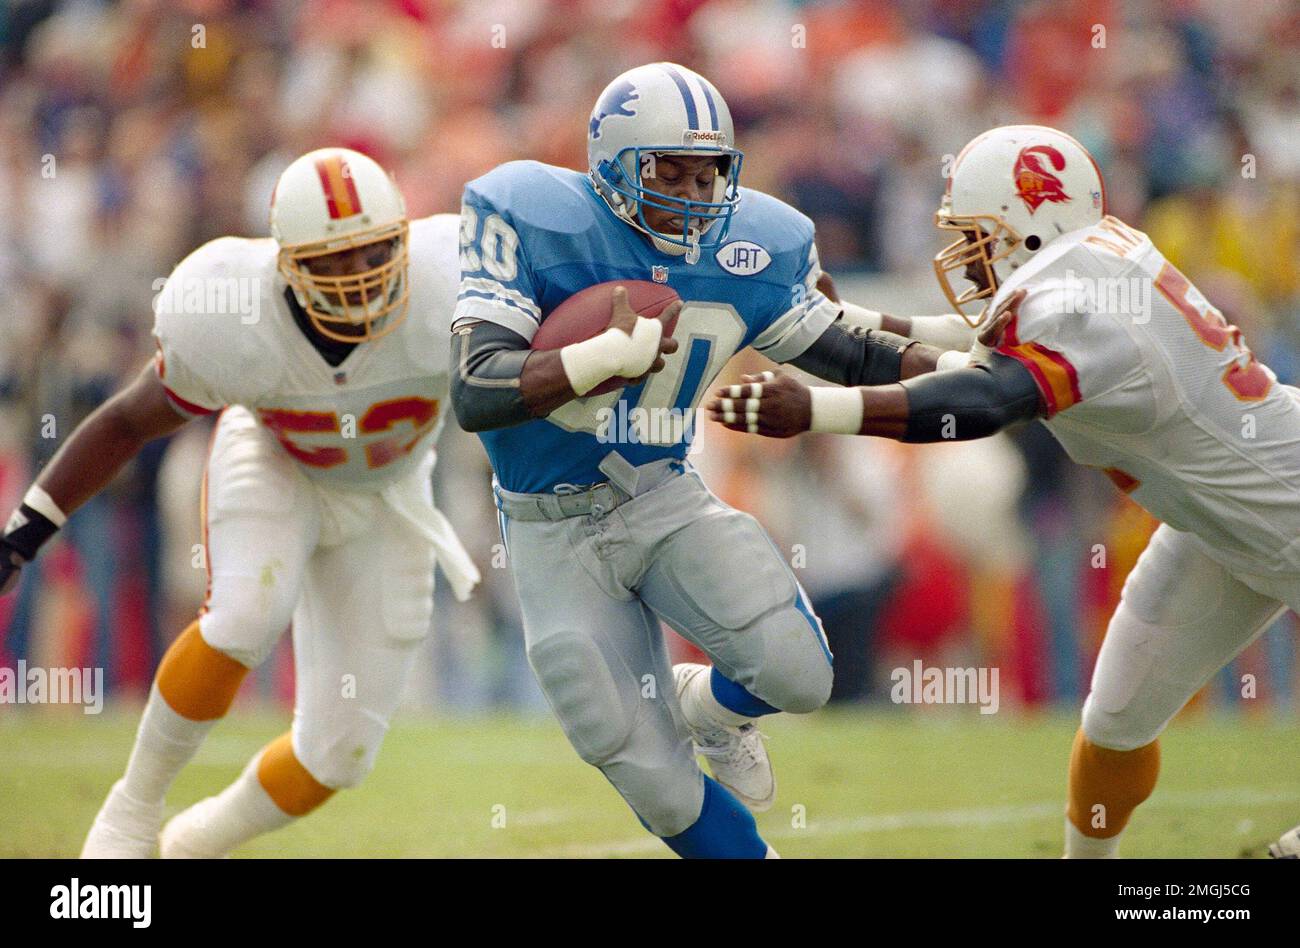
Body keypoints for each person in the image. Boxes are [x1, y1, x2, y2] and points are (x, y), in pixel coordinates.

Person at [707, 124, 1300, 858]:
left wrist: (818, 411)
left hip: (1286, 500)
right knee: (1115, 721)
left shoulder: (1081, 300)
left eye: (977, 234)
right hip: (1215, 523)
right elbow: (960, 354)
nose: (966, 254)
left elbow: (981, 403)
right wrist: (842, 321)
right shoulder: (1086, 267)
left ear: (1027, 224)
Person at [450, 62, 970, 858]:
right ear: (613, 165)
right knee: (646, 774)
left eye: (710, 174)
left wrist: (969, 375)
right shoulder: (532, 214)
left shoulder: (756, 240)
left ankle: (712, 712)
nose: (694, 196)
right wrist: (595, 361)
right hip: (548, 526)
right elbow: (476, 391)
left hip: (664, 495)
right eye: (672, 172)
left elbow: (849, 355)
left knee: (800, 674)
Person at [0, 147, 479, 857]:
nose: (357, 281)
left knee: (337, 758)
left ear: (404, 240)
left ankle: (195, 842)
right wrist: (22, 537)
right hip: (277, 461)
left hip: (389, 494)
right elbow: (127, 421)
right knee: (246, 616)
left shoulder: (454, 278)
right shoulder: (234, 313)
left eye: (373, 253)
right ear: (285, 264)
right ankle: (130, 813)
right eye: (331, 263)